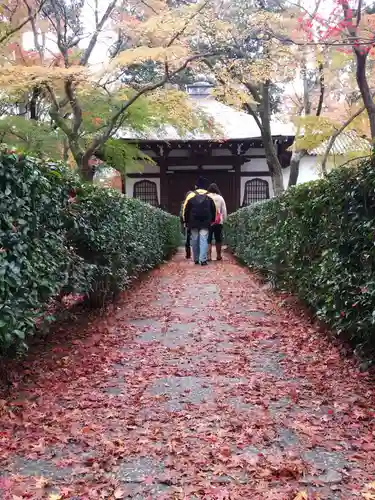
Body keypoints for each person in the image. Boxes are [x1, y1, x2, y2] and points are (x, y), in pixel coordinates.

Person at [182, 177, 217, 266]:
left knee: (194, 239)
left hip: (193, 222)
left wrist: (185, 221)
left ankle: (196, 259)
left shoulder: (190, 195)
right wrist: (212, 220)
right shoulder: (210, 196)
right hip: (205, 221)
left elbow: (185, 210)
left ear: (196, 186)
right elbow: (214, 210)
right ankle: (203, 259)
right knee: (204, 239)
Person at [207, 183, 227, 261]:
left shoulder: (206, 197)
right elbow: (224, 210)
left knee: (208, 239)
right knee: (218, 239)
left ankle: (209, 256)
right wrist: (224, 220)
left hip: (208, 221)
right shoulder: (220, 198)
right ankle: (218, 255)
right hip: (218, 221)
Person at [180, 190, 192, 259]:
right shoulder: (195, 202)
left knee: (187, 239)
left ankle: (188, 254)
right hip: (193, 222)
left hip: (187, 223)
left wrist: (183, 222)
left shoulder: (183, 204)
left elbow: (181, 214)